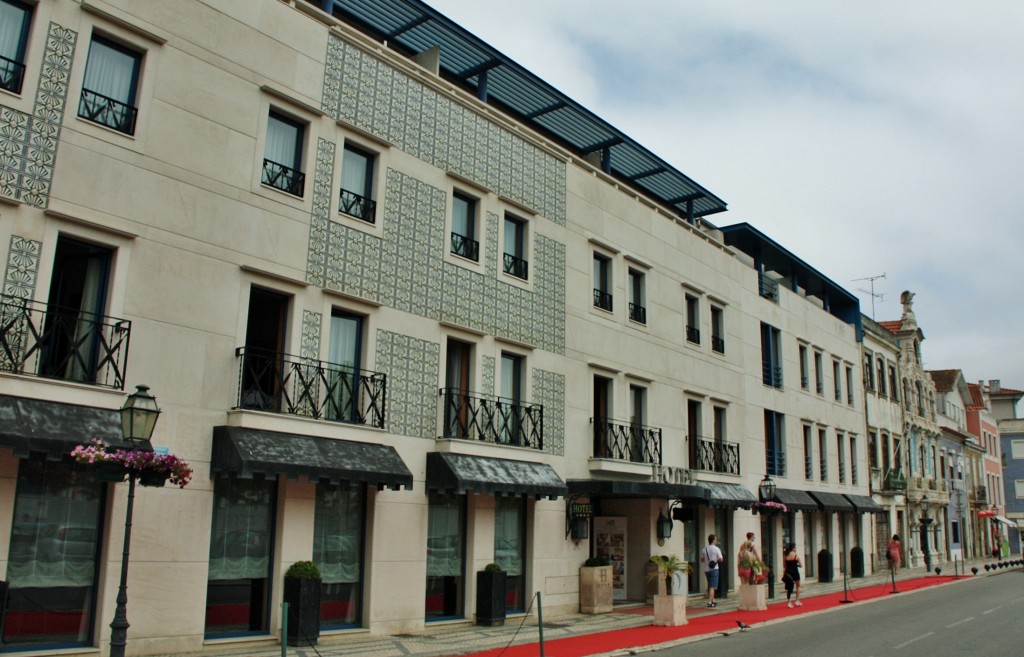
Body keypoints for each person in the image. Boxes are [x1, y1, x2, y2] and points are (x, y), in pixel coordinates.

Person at [701, 534, 724, 608]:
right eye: (716, 539)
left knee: (709, 584)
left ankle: (713, 600)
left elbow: (702, 559)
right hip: (714, 569)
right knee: (712, 586)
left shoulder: (704, 549)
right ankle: (710, 602)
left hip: (707, 569)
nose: (716, 541)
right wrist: (715, 560)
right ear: (713, 540)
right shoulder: (716, 549)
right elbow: (721, 559)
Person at [782, 542, 802, 607]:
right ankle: (797, 600)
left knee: (789, 587)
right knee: (798, 585)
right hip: (795, 571)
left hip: (788, 571)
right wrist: (797, 565)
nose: (796, 548)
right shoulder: (796, 555)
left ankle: (789, 602)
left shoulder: (786, 555)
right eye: (795, 547)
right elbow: (801, 565)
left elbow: (784, 565)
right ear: (793, 548)